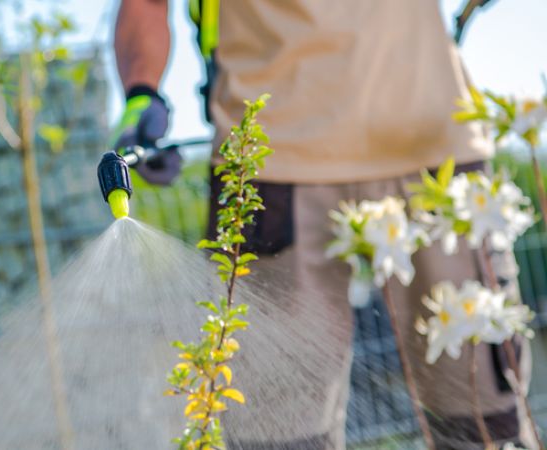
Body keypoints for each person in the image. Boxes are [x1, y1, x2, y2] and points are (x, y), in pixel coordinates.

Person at [112, 1, 531, 449]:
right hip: (267, 165)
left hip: (434, 152)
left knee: (485, 423)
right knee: (276, 435)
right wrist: (142, 93)